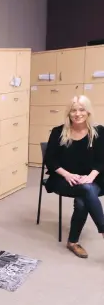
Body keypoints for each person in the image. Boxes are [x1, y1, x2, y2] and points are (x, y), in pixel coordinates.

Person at [44, 95, 104, 258]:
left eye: (81, 109)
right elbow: (50, 159)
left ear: (88, 111)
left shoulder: (98, 132)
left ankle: (73, 242)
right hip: (63, 179)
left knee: (83, 198)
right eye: (73, 110)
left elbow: (101, 160)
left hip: (92, 179)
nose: (77, 114)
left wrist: (91, 176)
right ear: (68, 113)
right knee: (86, 191)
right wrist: (67, 174)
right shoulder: (58, 132)